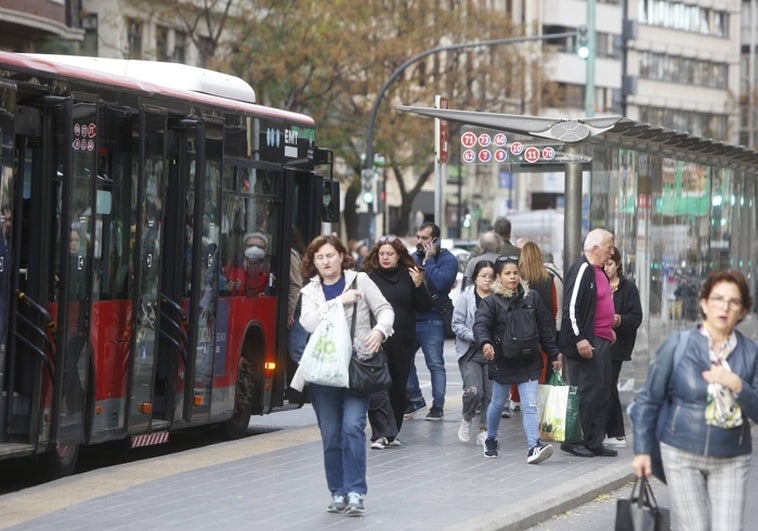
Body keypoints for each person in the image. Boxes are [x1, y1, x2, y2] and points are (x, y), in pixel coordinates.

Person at [630, 269, 758, 531]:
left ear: (743, 311)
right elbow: (649, 400)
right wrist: (642, 450)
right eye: (717, 299)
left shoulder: (751, 352)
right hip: (681, 453)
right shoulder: (678, 345)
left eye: (733, 302)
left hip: (732, 456)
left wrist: (736, 384)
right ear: (704, 303)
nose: (724, 307)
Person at [299, 234, 394, 516]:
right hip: (323, 373)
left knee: (352, 428)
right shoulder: (311, 291)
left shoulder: (360, 281)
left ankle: (355, 491)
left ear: (342, 256)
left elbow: (385, 310)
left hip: (357, 368)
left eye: (330, 255)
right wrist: (339, 301)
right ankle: (337, 492)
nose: (325, 261)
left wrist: (380, 330)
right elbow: (308, 323)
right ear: (313, 263)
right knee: (330, 435)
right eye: (319, 257)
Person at [473, 255, 562, 463]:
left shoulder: (532, 297)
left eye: (515, 273)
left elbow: (545, 328)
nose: (512, 277)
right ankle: (491, 439)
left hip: (529, 358)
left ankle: (534, 447)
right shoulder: (490, 302)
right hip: (502, 359)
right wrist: (485, 343)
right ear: (499, 277)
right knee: (497, 403)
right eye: (507, 273)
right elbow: (480, 326)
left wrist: (553, 353)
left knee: (530, 404)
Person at [362, 235, 432, 449]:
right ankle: (380, 433)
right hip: (376, 340)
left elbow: (425, 307)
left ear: (399, 255)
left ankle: (392, 432)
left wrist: (419, 286)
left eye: (390, 254)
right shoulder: (369, 277)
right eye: (381, 254)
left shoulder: (409, 275)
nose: (385, 257)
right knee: (378, 387)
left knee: (398, 387)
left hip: (403, 340)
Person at [558, 228, 617, 458]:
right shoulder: (583, 269)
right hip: (586, 343)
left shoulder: (598, 271)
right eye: (608, 247)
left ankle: (594, 440)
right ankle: (573, 440)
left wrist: (608, 329)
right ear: (595, 248)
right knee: (585, 392)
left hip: (601, 339)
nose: (611, 252)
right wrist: (580, 338)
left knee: (601, 392)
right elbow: (571, 308)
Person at [405, 222, 458, 420]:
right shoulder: (412, 258)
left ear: (435, 240)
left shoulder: (448, 260)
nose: (419, 242)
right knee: (405, 359)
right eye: (418, 237)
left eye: (425, 238)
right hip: (412, 317)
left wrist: (429, 261)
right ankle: (416, 398)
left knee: (435, 364)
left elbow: (440, 283)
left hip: (433, 318)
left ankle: (438, 405)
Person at [453, 260, 496, 447]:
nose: (487, 280)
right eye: (483, 276)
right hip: (470, 352)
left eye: (491, 277)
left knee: (491, 395)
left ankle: (484, 430)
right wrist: (476, 337)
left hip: (494, 353)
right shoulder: (465, 297)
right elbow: (456, 324)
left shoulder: (498, 297)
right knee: (474, 392)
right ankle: (467, 418)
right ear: (475, 278)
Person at [603, 246, 642, 448]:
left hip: (617, 345)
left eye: (609, 264)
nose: (606, 268)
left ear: (618, 264)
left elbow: (636, 318)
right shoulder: (598, 285)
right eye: (603, 264)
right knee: (602, 386)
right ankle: (608, 432)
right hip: (599, 342)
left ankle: (617, 433)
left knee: (609, 385)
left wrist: (619, 320)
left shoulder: (628, 288)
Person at [519, 241, 558, 385]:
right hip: (545, 332)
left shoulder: (516, 279)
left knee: (522, 370)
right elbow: (554, 307)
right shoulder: (548, 278)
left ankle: (518, 400)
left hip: (522, 332)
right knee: (543, 370)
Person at [224, 232, 270, 296]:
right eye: (250, 246)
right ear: (244, 247)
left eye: (259, 247)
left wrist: (266, 294)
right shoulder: (233, 265)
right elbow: (221, 287)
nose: (255, 249)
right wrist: (226, 290)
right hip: (236, 304)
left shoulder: (269, 269)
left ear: (265, 249)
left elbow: (272, 289)